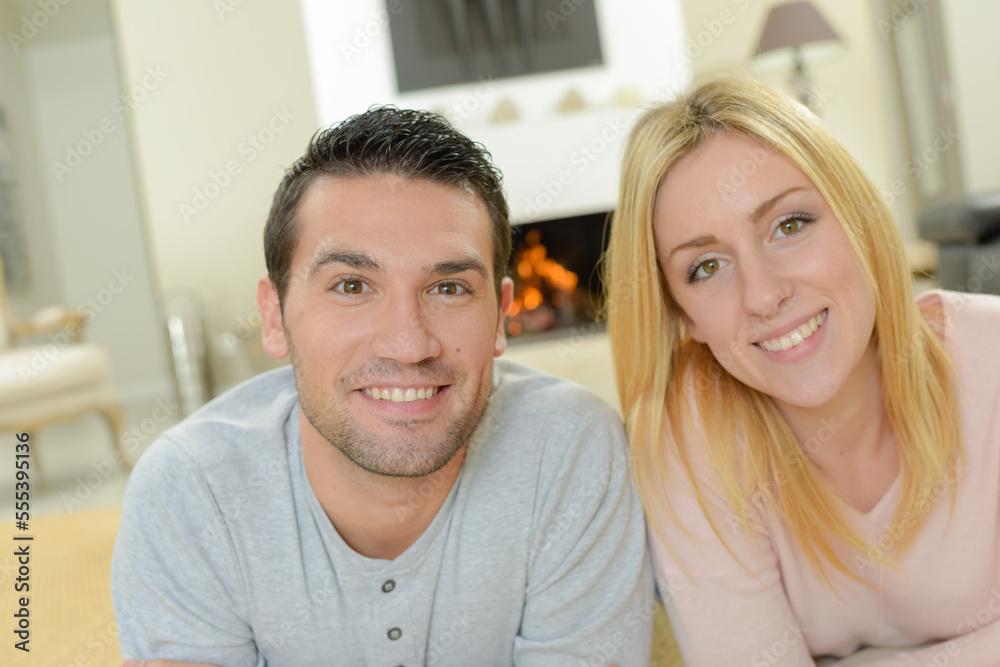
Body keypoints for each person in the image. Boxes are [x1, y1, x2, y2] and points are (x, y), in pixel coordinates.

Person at [112, 106, 654, 666]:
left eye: (448, 288)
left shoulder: (571, 451)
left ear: (501, 317)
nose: (408, 344)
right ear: (274, 317)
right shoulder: (190, 491)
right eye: (352, 285)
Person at [604, 77, 1000, 666]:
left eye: (789, 225)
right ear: (682, 317)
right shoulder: (683, 439)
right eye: (707, 266)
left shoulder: (991, 354)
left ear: (859, 219)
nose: (763, 296)